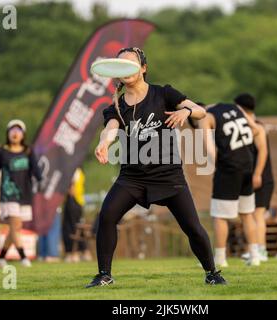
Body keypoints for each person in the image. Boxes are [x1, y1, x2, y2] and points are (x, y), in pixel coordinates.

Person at [86, 47, 226, 287]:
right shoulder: (117, 106)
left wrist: (185, 111)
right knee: (107, 216)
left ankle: (212, 273)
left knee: (192, 227)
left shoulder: (163, 93)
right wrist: (104, 143)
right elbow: (110, 129)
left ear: (143, 68)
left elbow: (201, 111)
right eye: (121, 65)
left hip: (168, 175)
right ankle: (104, 275)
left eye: (131, 63)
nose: (126, 68)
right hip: (132, 177)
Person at [199, 96, 265, 267]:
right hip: (247, 164)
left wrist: (218, 164)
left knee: (220, 216)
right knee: (247, 214)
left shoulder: (206, 116)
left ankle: (220, 259)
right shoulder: (236, 108)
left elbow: (208, 147)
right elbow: (256, 130)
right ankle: (255, 256)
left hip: (229, 167)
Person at [0, 120, 42, 268]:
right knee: (15, 224)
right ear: (8, 133)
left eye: (18, 130)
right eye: (12, 130)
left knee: (15, 229)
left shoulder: (28, 151)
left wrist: (41, 180)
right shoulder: (0, 151)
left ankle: (0, 257)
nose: (15, 133)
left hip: (24, 194)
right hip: (8, 193)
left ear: (23, 134)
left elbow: (36, 170)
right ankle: (24, 258)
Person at [236, 93, 274, 262]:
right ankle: (255, 250)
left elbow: (263, 153)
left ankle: (261, 250)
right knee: (250, 214)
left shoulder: (257, 127)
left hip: (261, 177)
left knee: (258, 214)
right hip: (251, 177)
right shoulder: (248, 126)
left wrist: (257, 174)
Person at [63, 168, 92, 262]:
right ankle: (83, 252)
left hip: (73, 201)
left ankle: (74, 253)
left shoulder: (74, 170)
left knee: (72, 228)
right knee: (77, 228)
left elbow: (72, 189)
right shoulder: (79, 171)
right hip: (78, 202)